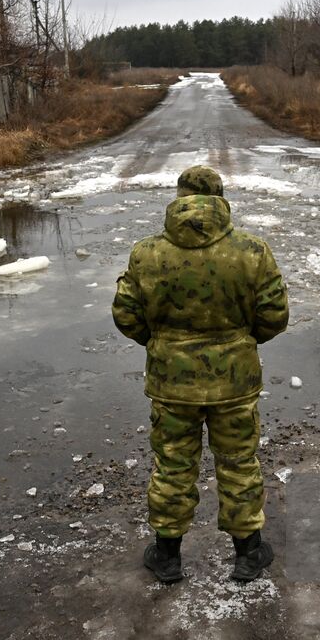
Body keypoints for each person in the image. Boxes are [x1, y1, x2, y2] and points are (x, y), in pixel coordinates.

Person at [112, 165, 289, 583]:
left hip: (172, 384)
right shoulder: (252, 251)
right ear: (221, 199)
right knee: (238, 462)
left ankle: (167, 555)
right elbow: (274, 315)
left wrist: (162, 344)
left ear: (179, 198)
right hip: (234, 382)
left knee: (173, 465)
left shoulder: (146, 253)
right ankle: (248, 554)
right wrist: (241, 343)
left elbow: (125, 313)